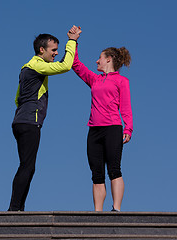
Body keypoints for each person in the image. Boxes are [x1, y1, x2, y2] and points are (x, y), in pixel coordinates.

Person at [8, 27, 81, 211]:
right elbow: (65, 66)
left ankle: (18, 208)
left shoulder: (26, 68)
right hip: (29, 122)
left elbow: (17, 98)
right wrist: (71, 41)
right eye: (53, 50)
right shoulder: (37, 65)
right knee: (27, 166)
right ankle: (14, 209)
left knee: (28, 166)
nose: (56, 53)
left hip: (21, 121)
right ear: (42, 50)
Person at [71, 26, 133, 211]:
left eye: (99, 57)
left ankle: (116, 209)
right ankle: (97, 213)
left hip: (113, 128)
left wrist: (128, 128)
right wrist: (73, 40)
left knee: (114, 170)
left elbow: (126, 107)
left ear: (109, 59)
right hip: (94, 130)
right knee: (96, 174)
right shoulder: (94, 79)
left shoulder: (122, 81)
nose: (96, 60)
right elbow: (76, 65)